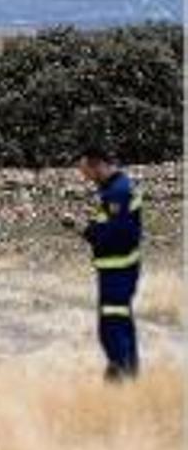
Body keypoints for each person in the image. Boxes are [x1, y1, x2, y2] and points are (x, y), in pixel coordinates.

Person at [63, 146, 143, 383]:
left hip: (118, 271)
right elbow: (111, 229)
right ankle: (130, 372)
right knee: (122, 322)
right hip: (117, 269)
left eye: (87, 172)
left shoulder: (117, 193)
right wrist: (84, 227)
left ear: (98, 165)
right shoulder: (117, 188)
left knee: (112, 326)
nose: (86, 178)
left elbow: (115, 236)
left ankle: (119, 378)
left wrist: (82, 228)